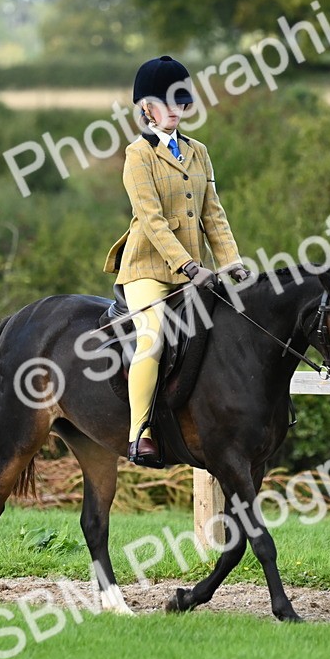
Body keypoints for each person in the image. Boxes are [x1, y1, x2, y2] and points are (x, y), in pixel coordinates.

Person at [103, 55, 251, 468]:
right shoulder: (138, 155)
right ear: (146, 107)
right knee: (152, 338)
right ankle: (139, 434)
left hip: (195, 271)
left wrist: (231, 262)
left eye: (180, 102)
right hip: (148, 270)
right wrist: (187, 265)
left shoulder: (198, 151)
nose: (175, 110)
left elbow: (213, 214)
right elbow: (151, 221)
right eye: (166, 103)